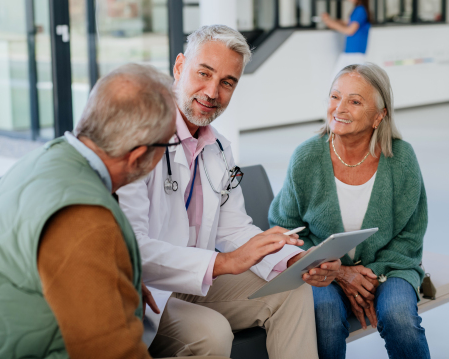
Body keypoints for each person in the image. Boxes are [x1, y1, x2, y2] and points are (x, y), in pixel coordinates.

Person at [0, 64, 228, 359]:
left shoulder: (47, 160)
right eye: (169, 141)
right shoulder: (85, 219)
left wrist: (122, 277)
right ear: (139, 156)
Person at [117, 25, 341, 359]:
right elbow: (134, 250)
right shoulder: (138, 139)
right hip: (150, 290)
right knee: (211, 332)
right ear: (179, 67)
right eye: (203, 73)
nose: (212, 92)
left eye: (227, 82)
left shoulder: (218, 147)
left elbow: (234, 227)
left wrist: (293, 260)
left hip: (198, 282)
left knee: (293, 292)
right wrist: (223, 262)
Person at [269, 63, 430, 359]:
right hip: (320, 270)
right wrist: (340, 272)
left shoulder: (402, 158)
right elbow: (284, 227)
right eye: (334, 97)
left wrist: (367, 275)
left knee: (399, 317)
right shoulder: (306, 157)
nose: (339, 109)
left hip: (391, 267)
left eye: (355, 101)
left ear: (379, 115)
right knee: (325, 316)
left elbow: (411, 235)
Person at [322, 0, 372, 74]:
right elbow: (347, 22)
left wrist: (333, 24)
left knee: (341, 79)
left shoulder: (360, 10)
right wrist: (330, 20)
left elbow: (350, 30)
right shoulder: (357, 9)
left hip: (355, 53)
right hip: (349, 52)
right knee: (338, 78)